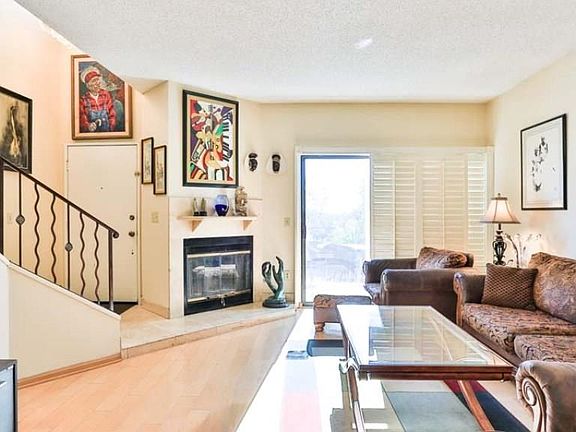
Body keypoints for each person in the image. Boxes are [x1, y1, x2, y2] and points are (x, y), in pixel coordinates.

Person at [79, 66, 116, 133]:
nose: (97, 83)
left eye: (98, 80)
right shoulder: (83, 100)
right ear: (88, 85)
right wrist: (88, 126)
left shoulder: (106, 94)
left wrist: (111, 128)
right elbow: (82, 119)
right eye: (94, 81)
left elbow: (112, 114)